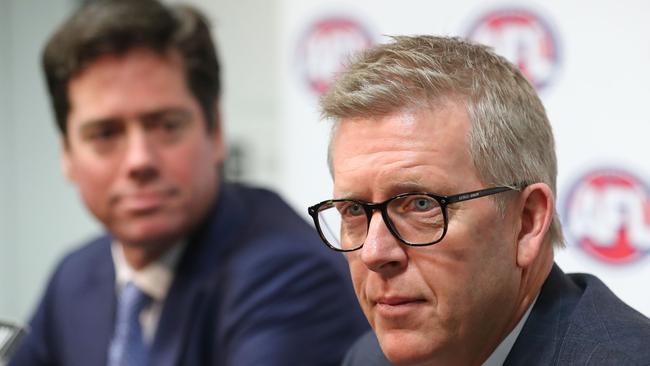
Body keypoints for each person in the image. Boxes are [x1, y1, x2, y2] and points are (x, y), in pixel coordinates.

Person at [10, 0, 369, 365]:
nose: (140, 160)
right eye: (105, 134)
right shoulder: (76, 277)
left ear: (214, 130)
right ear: (67, 154)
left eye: (166, 125)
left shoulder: (289, 276)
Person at [308, 35, 650, 366]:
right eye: (354, 210)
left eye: (420, 204)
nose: (374, 253)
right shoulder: (369, 358)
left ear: (527, 223)